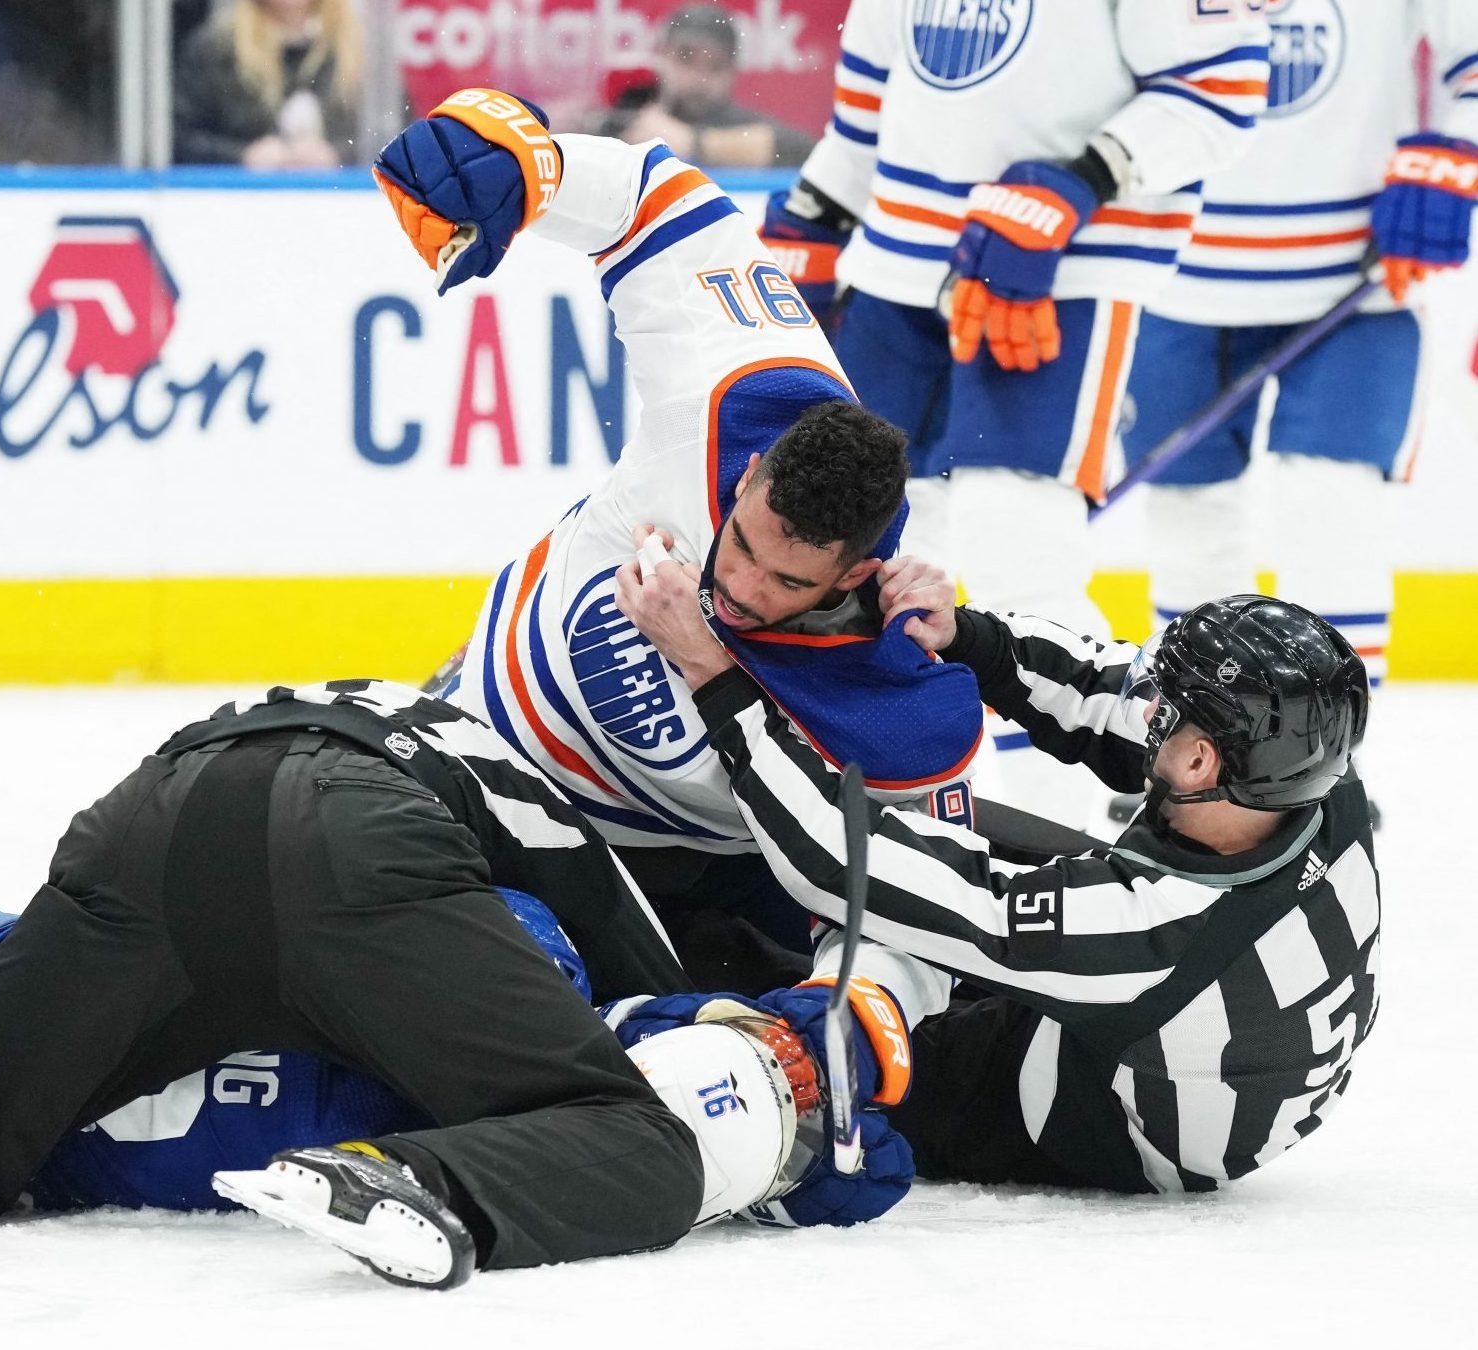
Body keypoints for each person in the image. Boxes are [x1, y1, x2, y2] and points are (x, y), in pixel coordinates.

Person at [0, 680, 914, 1285]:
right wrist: (700, 1014)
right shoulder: (505, 774)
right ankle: (405, 1180)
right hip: (350, 852)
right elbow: (624, 963)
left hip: (143, 825)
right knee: (632, 1138)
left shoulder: (367, 705)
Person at [372, 88, 985, 999]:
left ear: (853, 575)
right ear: (745, 482)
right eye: (739, 543)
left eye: (785, 582)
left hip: (661, 863)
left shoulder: (888, 680)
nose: (738, 586)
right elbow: (654, 198)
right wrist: (533, 166)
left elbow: (926, 898)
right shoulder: (736, 386)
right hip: (472, 732)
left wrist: (864, 1001)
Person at [617, 546, 1378, 1193]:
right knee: (947, 837)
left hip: (1100, 1110)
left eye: (1168, 711)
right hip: (1210, 1033)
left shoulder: (1150, 930)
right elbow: (1105, 690)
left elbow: (847, 864)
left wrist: (712, 671)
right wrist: (967, 636)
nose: (1148, 709)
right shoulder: (1312, 780)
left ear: (1204, 757)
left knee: (788, 987)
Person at [757, 0, 1271, 828]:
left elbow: (1221, 87)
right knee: (866, 544)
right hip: (897, 273)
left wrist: (1084, 179)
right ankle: (903, 797)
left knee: (1019, 543)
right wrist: (813, 216)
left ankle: (1069, 818)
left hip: (1066, 275)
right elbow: (870, 110)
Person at [1121, 4, 1478, 736]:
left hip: (1357, 278)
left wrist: (1458, 146)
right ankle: (1200, 741)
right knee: (1189, 518)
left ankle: (1331, 755)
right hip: (1175, 271)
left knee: (1333, 507)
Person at [593, 4, 814, 169]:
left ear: (733, 71)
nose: (699, 76)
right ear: (661, 56)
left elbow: (806, 151)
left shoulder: (743, 124)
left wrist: (694, 143)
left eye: (715, 65)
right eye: (686, 59)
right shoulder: (631, 116)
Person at [174, 0, 363, 169]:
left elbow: (384, 134)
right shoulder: (215, 49)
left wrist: (338, 155)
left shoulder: (363, 50)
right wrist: (242, 156)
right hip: (239, 197)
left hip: (343, 198)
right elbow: (180, 137)